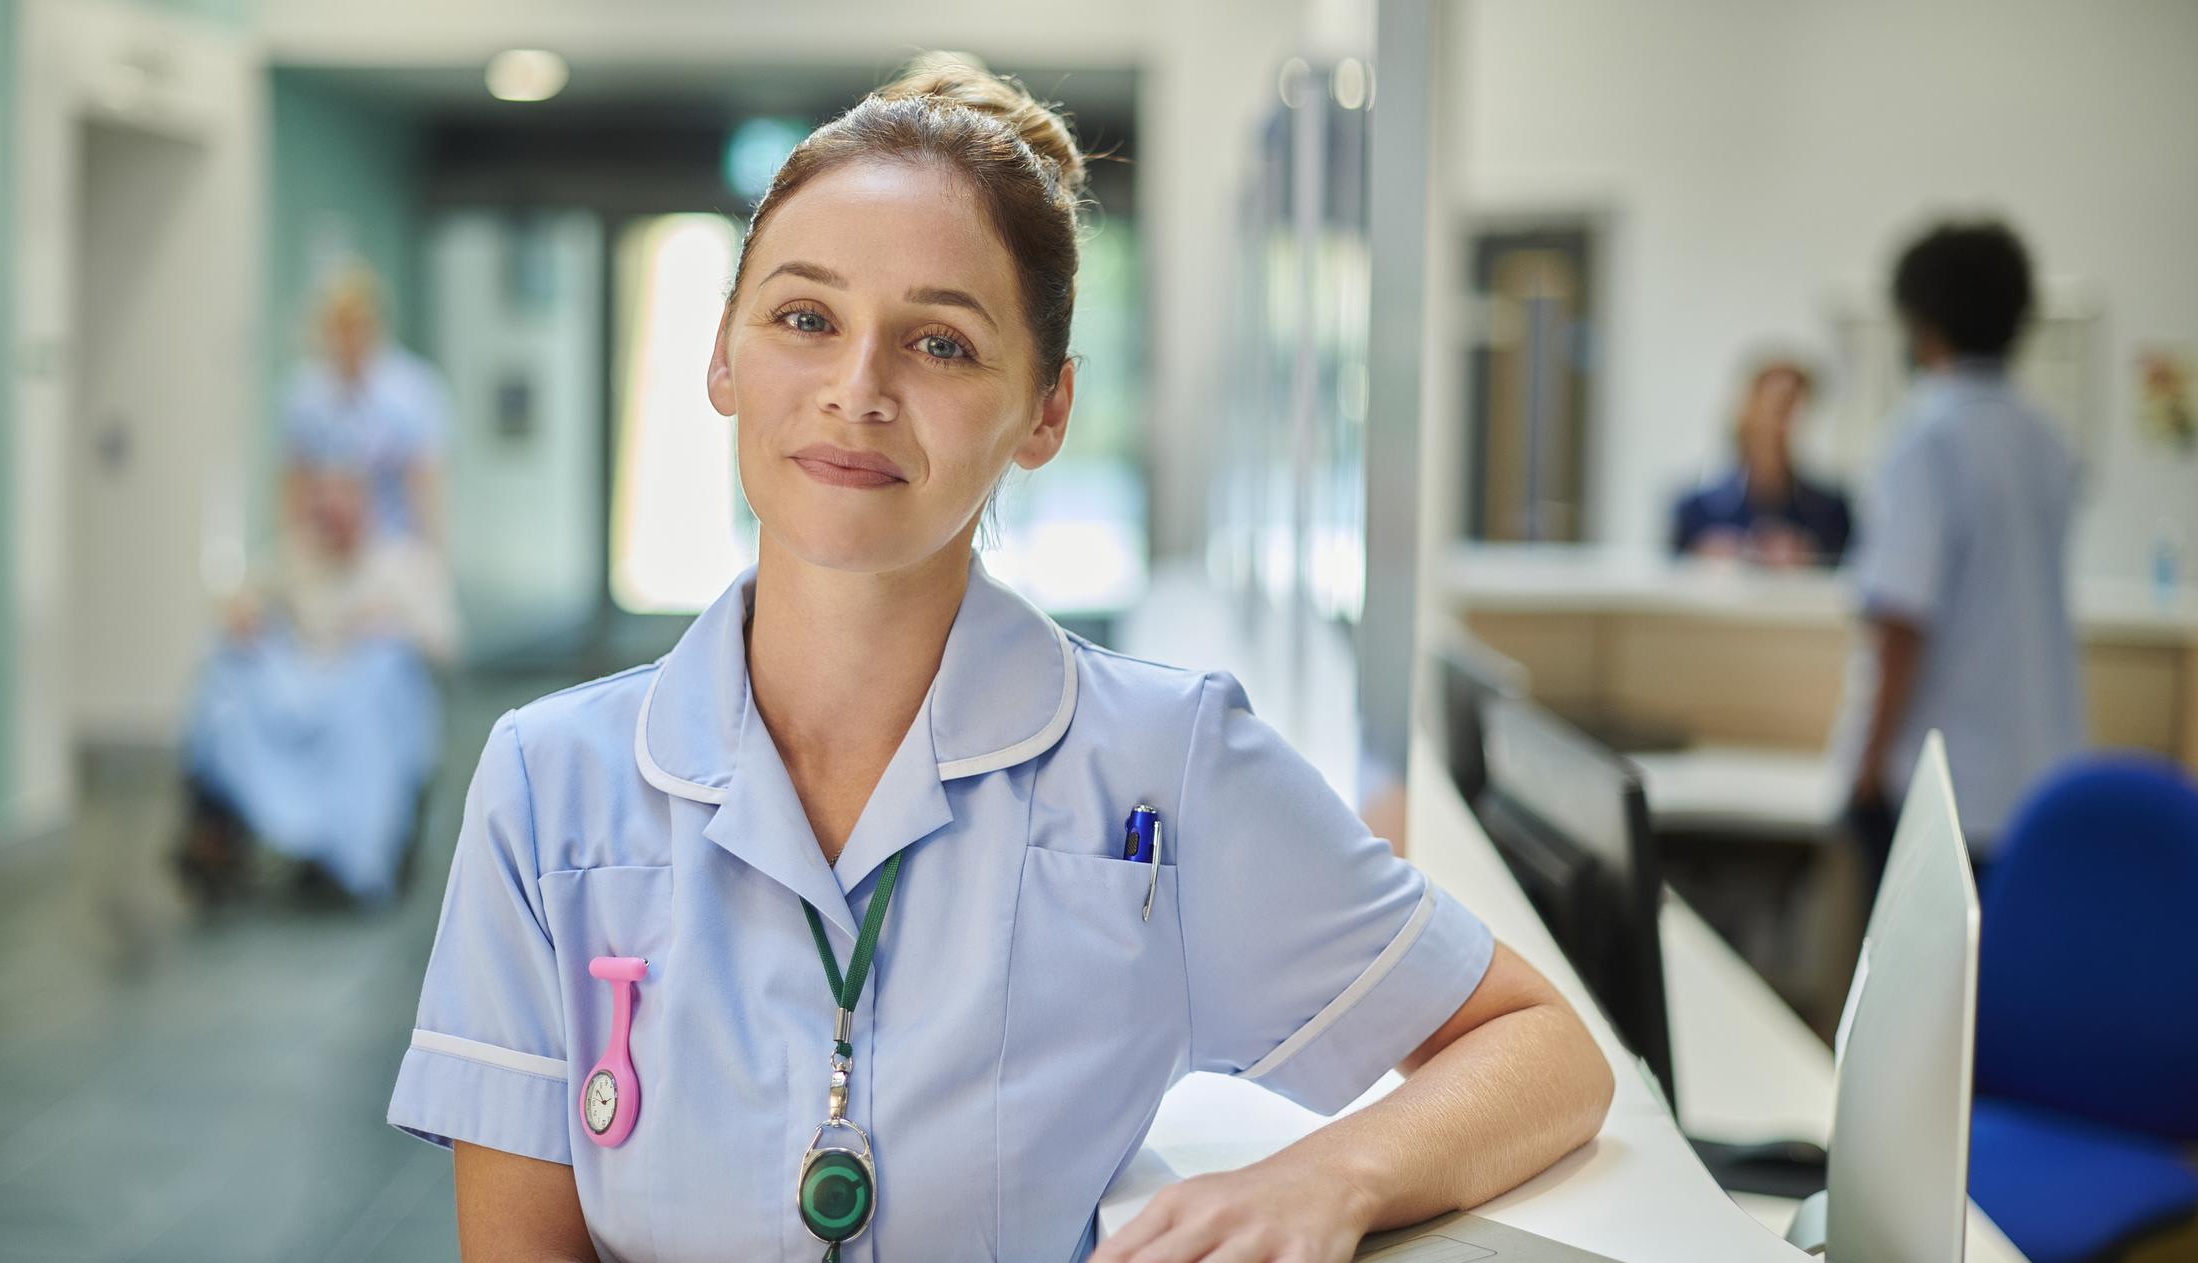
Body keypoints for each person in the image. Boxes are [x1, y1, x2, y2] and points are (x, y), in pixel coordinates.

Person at [385, 55, 1610, 1263]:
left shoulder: (1161, 769)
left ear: (1047, 411)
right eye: (805, 319)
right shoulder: (549, 785)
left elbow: (1540, 1052)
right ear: (722, 356)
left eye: (941, 345)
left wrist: (1323, 1179)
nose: (855, 391)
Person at [1834, 219, 2081, 890]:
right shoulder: (2047, 437)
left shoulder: (1923, 436)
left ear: (1921, 321)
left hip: (1941, 794)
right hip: (2039, 788)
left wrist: (1864, 772)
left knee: (1920, 992)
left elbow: (1902, 619)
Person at [175, 472, 455, 904]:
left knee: (379, 672)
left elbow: (444, 644)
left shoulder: (402, 563)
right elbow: (243, 598)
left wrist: (391, 622)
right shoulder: (297, 557)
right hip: (303, 691)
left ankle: (351, 850)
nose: (330, 521)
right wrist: (243, 615)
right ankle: (219, 826)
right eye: (321, 512)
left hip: (366, 700)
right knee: (225, 667)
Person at [282, 265, 451, 550]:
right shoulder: (303, 396)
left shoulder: (414, 393)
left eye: (356, 325)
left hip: (392, 549)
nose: (348, 339)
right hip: (326, 553)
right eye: (338, 326)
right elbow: (294, 487)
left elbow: (427, 489)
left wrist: (432, 561)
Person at [1671, 355, 1853, 566]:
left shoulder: (1830, 512)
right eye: (1779, 406)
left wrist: (1811, 559)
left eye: (1797, 408)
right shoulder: (1695, 510)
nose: (1786, 423)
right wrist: (1702, 560)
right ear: (1748, 411)